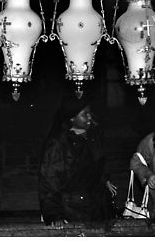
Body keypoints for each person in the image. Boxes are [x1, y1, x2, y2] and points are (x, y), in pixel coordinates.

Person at [39, 96, 117, 229]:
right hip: (73, 208)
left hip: (97, 206)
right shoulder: (59, 143)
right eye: (84, 114)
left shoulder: (94, 136)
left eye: (90, 113)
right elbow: (49, 180)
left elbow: (100, 160)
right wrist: (54, 214)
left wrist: (105, 179)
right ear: (71, 118)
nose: (89, 118)